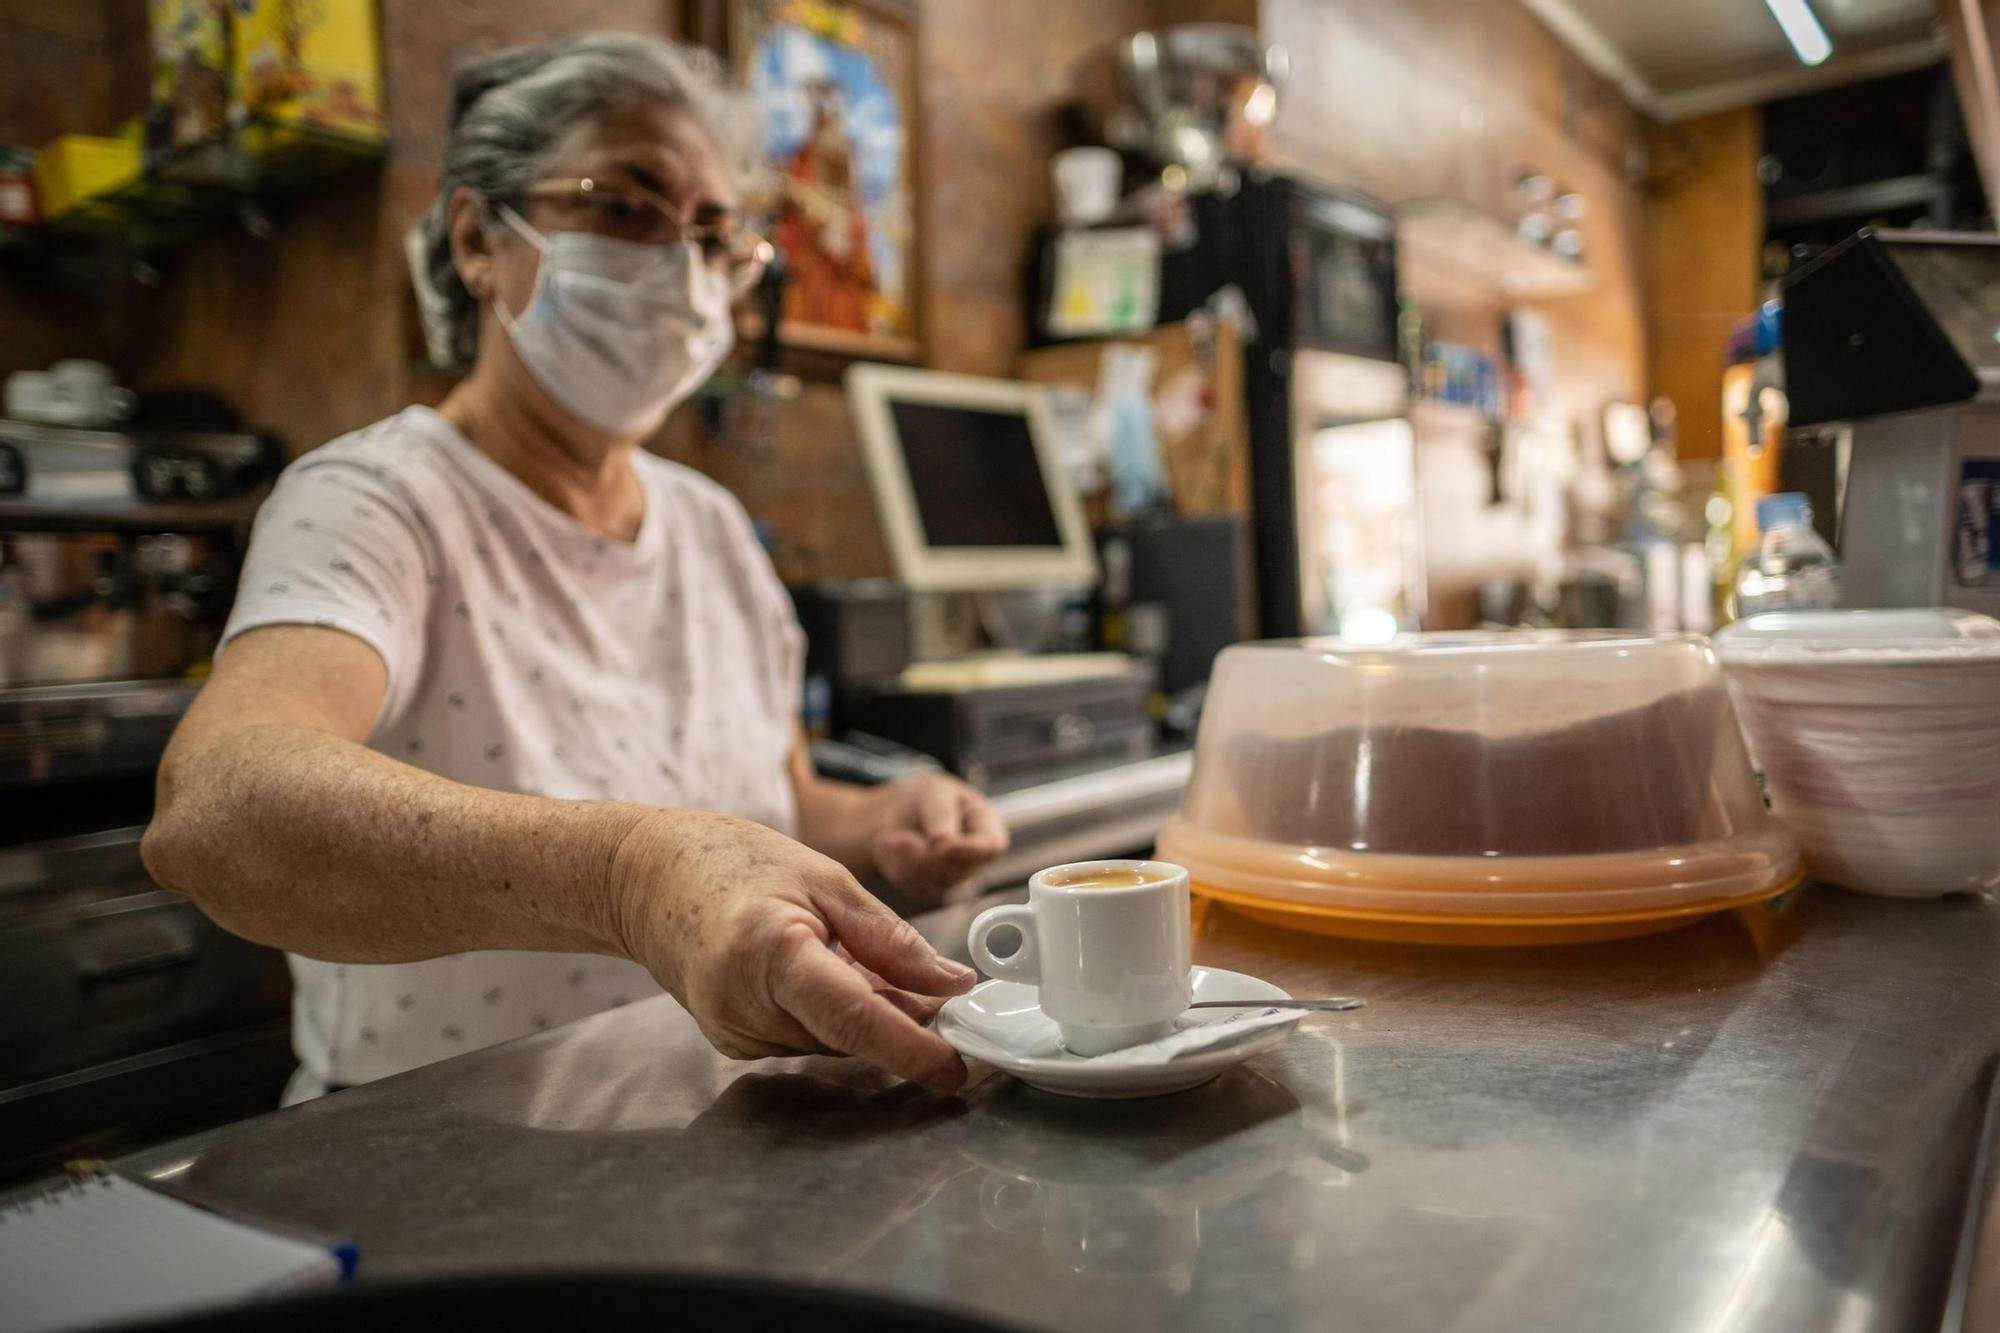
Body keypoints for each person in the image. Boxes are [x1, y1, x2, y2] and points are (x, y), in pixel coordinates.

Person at [142, 33, 1006, 1102]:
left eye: (708, 234)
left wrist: (881, 818)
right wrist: (628, 878)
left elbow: (776, 796)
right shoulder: (380, 500)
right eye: (624, 205)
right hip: (441, 1169)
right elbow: (218, 810)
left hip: (719, 1142)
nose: (678, 271)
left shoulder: (712, 529)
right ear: (477, 240)